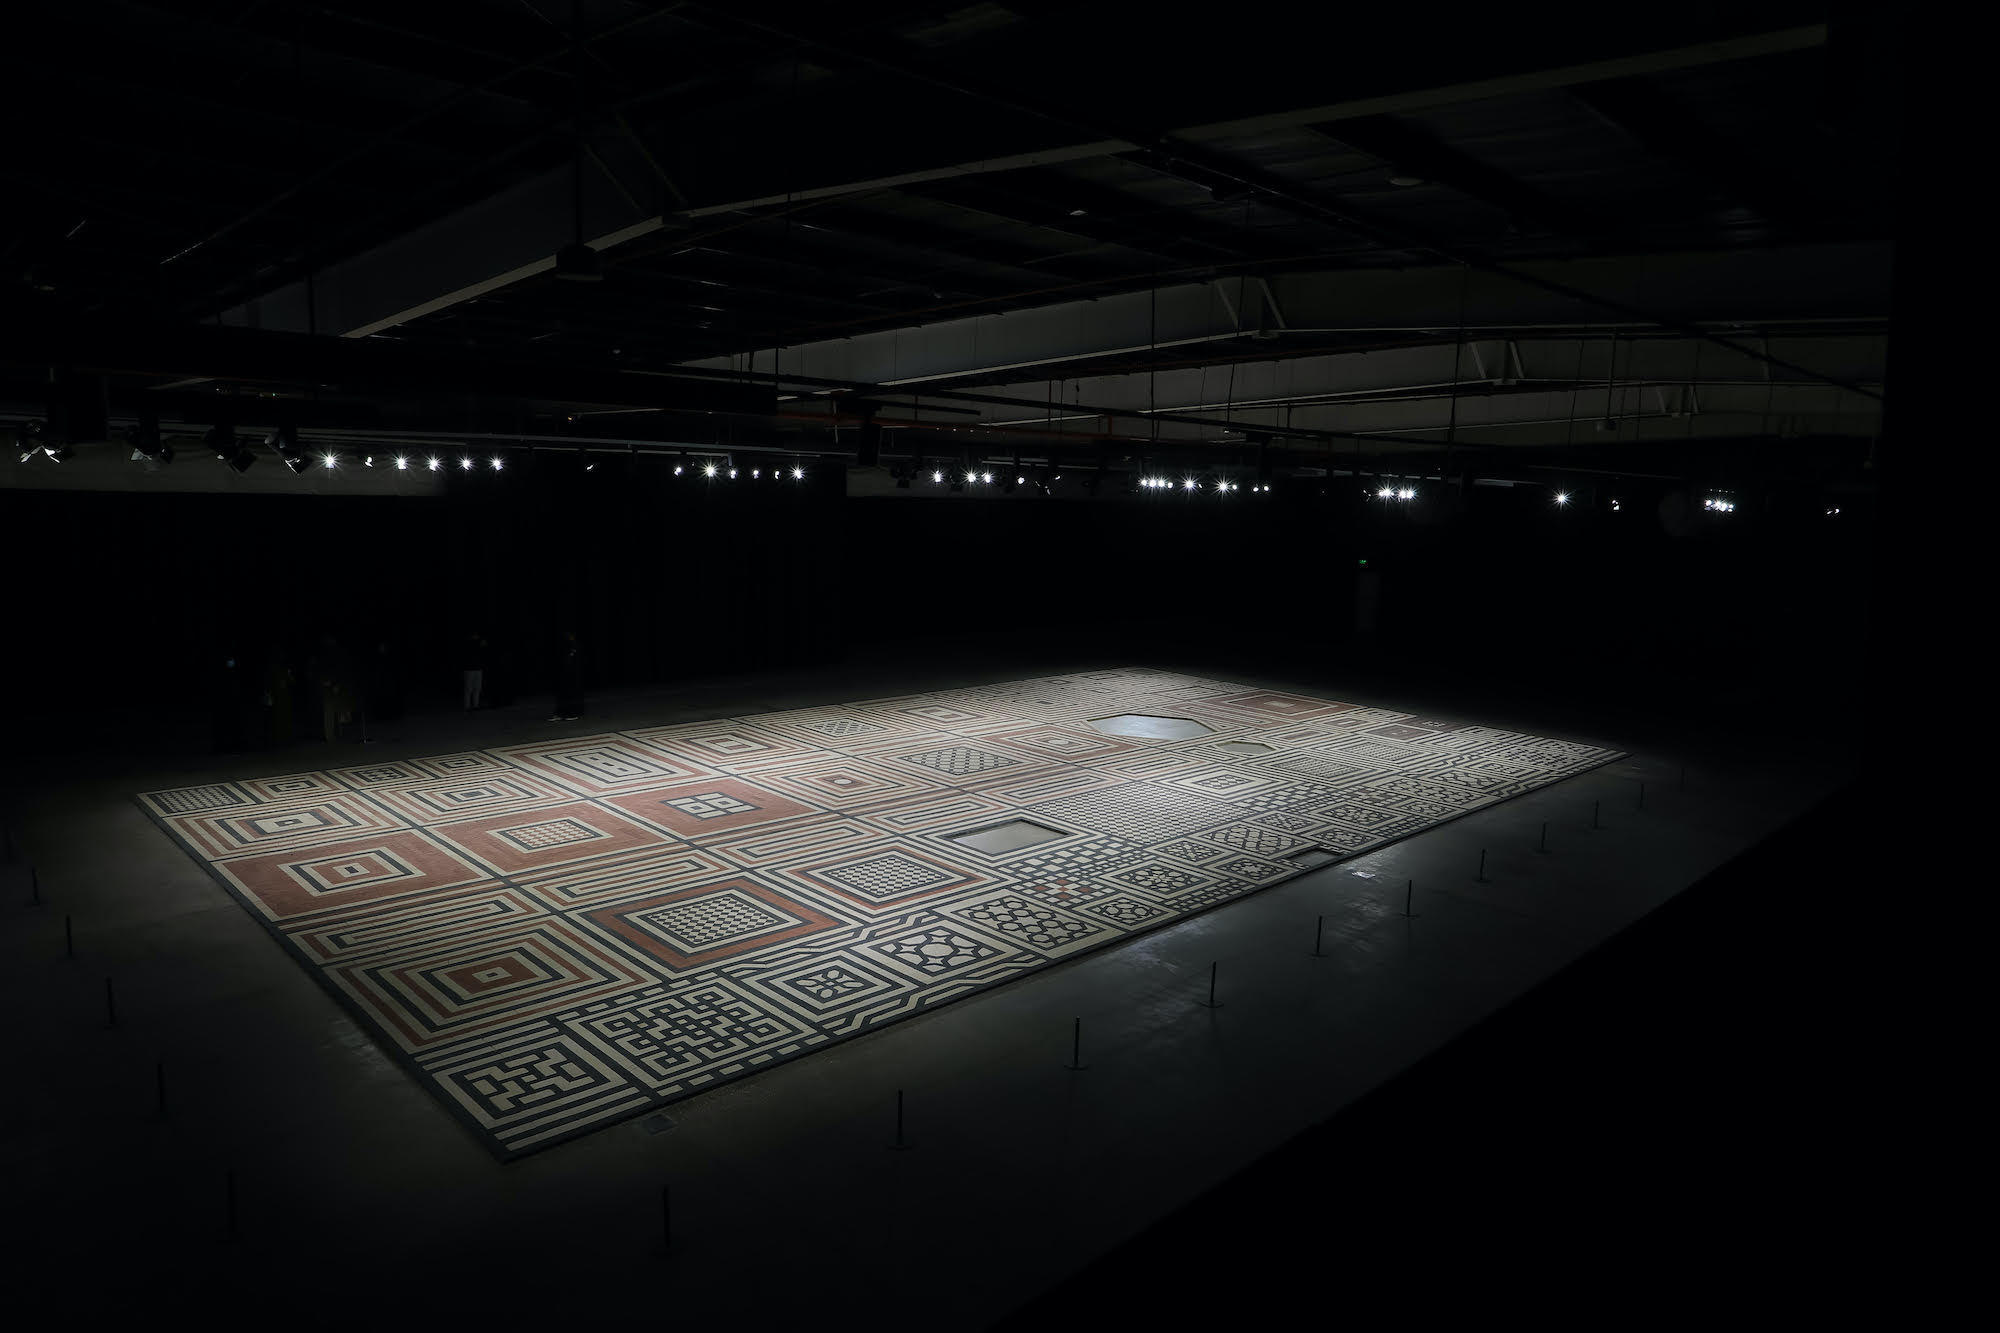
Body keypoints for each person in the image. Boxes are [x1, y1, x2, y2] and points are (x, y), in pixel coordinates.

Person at [549, 629, 584, 722]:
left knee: (570, 694)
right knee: (561, 695)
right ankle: (560, 713)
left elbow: (575, 662)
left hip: (571, 675)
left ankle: (571, 713)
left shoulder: (574, 646)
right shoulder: (562, 647)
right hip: (562, 674)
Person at [463, 632, 486, 712]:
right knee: (469, 688)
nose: (476, 635)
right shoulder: (468, 643)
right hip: (469, 669)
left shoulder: (479, 643)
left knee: (477, 688)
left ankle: (476, 705)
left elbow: (483, 652)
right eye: (475, 634)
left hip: (478, 668)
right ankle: (467, 706)